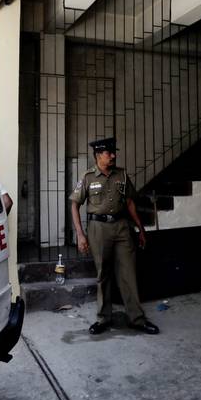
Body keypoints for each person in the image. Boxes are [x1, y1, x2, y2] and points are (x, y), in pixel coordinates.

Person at [70, 137, 159, 335]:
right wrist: (80, 234)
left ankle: (136, 318)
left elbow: (129, 204)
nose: (113, 155)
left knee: (128, 272)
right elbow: (75, 204)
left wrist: (141, 229)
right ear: (98, 155)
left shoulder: (122, 175)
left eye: (113, 152)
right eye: (108, 153)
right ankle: (104, 318)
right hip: (98, 228)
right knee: (103, 273)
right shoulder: (87, 177)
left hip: (122, 227)